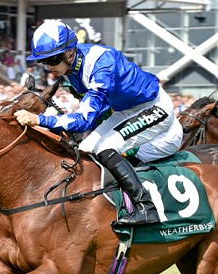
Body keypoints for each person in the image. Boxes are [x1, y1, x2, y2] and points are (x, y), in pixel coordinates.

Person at [14, 20, 183, 226]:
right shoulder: (72, 67)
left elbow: (85, 120)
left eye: (52, 60)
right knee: (86, 147)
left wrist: (40, 119)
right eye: (44, 62)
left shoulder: (102, 66)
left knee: (105, 147)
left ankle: (146, 207)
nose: (49, 68)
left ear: (69, 53)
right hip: (125, 110)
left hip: (154, 107)